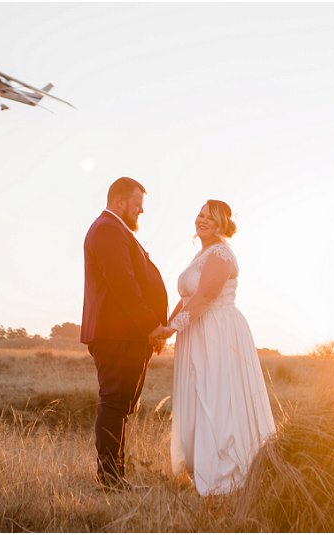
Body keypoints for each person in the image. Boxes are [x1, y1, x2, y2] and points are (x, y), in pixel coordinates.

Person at [165, 200, 276, 496]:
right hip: (196, 330)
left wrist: (172, 328)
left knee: (217, 396)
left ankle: (224, 476)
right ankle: (199, 465)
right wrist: (166, 326)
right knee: (198, 394)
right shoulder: (200, 255)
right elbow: (188, 298)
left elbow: (205, 297)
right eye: (200, 214)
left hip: (218, 331)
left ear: (221, 225)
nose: (202, 220)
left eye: (210, 218)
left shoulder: (221, 253)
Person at [80, 177, 170, 492]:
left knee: (121, 407)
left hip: (127, 335)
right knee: (115, 404)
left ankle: (116, 474)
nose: (141, 211)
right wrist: (152, 326)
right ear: (119, 202)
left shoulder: (116, 230)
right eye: (137, 204)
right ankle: (110, 478)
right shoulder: (107, 229)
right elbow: (123, 284)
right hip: (116, 335)